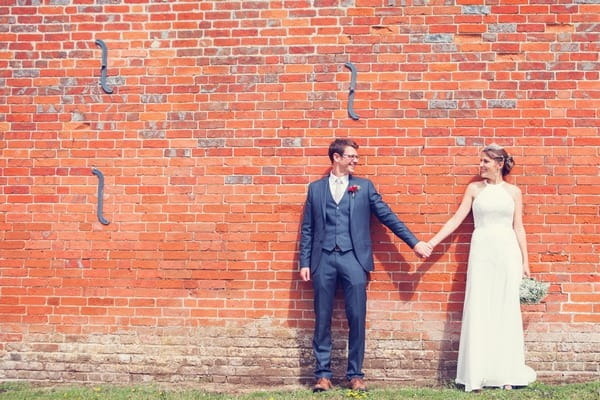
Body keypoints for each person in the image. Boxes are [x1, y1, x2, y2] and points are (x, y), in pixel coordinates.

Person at [299, 138, 432, 392]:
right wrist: (305, 261)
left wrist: (414, 243)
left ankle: (355, 374)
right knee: (322, 317)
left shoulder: (364, 187)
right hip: (322, 260)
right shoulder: (315, 189)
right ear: (336, 158)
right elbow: (307, 229)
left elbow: (387, 216)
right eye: (351, 156)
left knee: (357, 316)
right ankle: (323, 375)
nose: (356, 161)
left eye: (356, 157)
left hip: (354, 259)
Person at [427, 144, 536, 392]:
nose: (481, 165)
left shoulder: (513, 192)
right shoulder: (474, 189)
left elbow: (518, 226)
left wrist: (524, 261)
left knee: (505, 308)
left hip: (507, 251)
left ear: (499, 164)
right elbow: (456, 219)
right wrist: (433, 242)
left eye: (485, 161)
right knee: (480, 305)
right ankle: (476, 375)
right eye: (481, 161)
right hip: (482, 251)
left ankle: (507, 374)